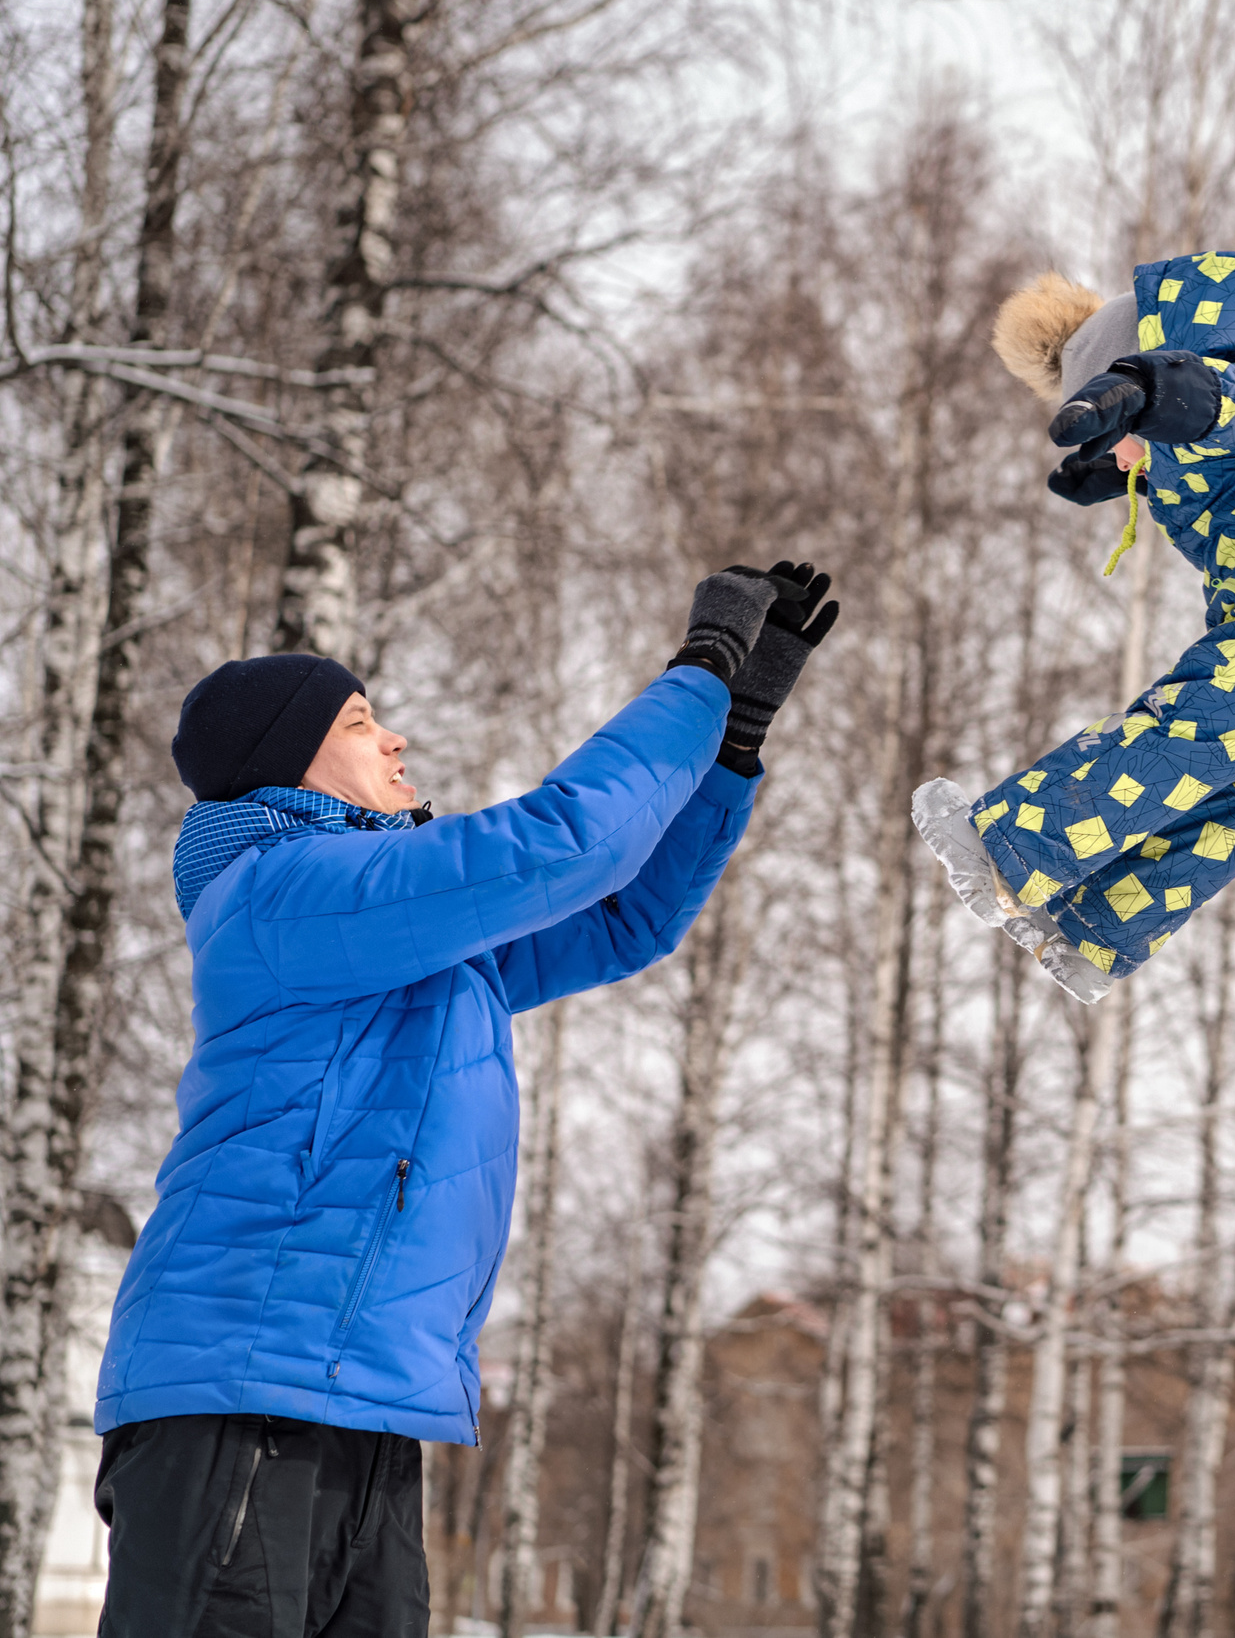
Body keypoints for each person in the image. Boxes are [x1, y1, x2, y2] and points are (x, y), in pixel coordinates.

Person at [91, 562, 837, 1637]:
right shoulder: (283, 890)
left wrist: (732, 738)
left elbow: (624, 917)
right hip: (243, 1388)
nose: (393, 741)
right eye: (359, 722)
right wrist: (697, 675)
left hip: (359, 1399)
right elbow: (562, 844)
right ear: (285, 763)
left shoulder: (408, 942)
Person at [914, 251, 1235, 1001]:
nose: (1118, 449)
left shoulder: (1229, 394)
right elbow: (1213, 451)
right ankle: (1097, 931)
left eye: (1116, 421)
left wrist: (1148, 389)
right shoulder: (1225, 436)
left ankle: (1005, 849)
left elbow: (1219, 403)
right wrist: (1123, 466)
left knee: (1183, 734)